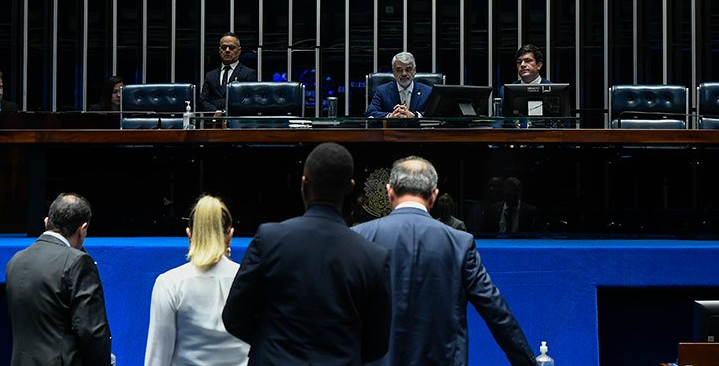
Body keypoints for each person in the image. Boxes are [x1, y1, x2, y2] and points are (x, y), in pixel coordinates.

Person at [353, 157, 536, 366]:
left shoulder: (359, 237)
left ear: (389, 192)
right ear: (434, 196)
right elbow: (497, 312)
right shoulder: (460, 243)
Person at [222, 142, 391, 365]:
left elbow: (234, 317)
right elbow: (377, 344)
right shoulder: (373, 257)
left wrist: (271, 345)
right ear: (350, 187)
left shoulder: (270, 239)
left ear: (304, 183)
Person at [5, 193, 112, 365]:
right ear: (82, 229)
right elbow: (91, 332)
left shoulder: (15, 261)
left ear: (47, 222)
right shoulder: (78, 262)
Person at [145, 195, 249, 366]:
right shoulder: (250, 280)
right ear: (230, 235)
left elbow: (157, 358)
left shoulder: (169, 283)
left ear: (189, 235)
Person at [199, 33, 257, 112]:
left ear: (239, 50)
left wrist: (225, 112)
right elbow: (203, 100)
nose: (227, 50)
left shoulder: (249, 73)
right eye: (224, 47)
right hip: (214, 117)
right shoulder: (210, 75)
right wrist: (215, 111)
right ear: (219, 50)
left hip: (236, 117)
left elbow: (250, 101)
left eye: (231, 48)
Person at [364, 51, 432, 118]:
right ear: (393, 71)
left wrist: (415, 115)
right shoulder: (382, 91)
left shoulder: (428, 91)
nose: (404, 74)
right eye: (399, 70)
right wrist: (390, 116)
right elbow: (370, 113)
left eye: (408, 69)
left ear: (414, 71)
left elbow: (435, 115)